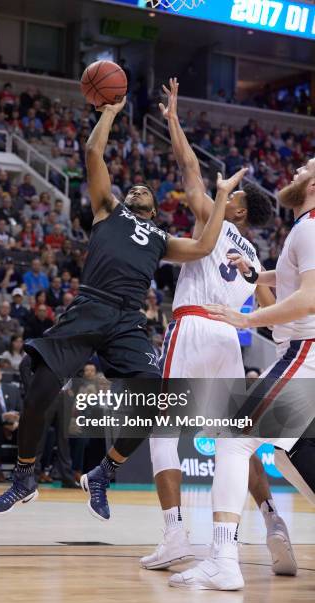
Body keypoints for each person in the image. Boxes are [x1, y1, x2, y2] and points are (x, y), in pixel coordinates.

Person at [0, 95, 247, 516]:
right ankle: (24, 477)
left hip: (128, 319)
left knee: (154, 399)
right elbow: (92, 152)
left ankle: (104, 471)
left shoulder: (161, 238)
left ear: (156, 209)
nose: (138, 187)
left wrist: (219, 199)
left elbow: (204, 245)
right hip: (91, 306)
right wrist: (109, 111)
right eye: (134, 188)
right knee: (41, 391)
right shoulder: (107, 210)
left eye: (145, 190)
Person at [141, 78, 296, 577]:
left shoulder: (218, 222)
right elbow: (277, 314)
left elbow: (189, 171)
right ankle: (273, 521)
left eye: (230, 192)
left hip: (192, 328)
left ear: (239, 209)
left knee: (161, 432)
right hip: (230, 337)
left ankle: (175, 536)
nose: (220, 190)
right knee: (234, 441)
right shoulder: (255, 258)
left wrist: (172, 120)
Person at [171, 158, 315, 590]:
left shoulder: (310, 227)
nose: (295, 173)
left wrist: (246, 319)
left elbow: (308, 299)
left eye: (304, 169)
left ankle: (223, 559)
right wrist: (258, 275)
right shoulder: (305, 228)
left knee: (233, 440)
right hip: (303, 353)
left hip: (305, 351)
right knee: (296, 458)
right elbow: (293, 279)